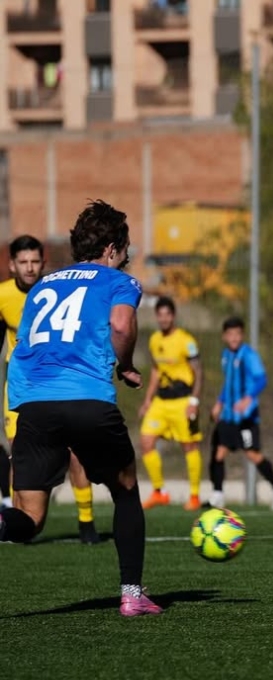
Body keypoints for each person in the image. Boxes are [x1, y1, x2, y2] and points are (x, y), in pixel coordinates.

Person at [0, 200, 161, 616]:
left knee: (29, 517)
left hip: (33, 404)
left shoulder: (42, 287)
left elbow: (25, 344)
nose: (126, 257)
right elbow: (121, 325)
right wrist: (126, 366)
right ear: (110, 249)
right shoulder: (118, 281)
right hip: (86, 399)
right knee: (126, 490)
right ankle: (132, 594)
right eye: (124, 249)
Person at [0, 234, 100, 544]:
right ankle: (16, 521)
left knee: (76, 451)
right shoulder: (2, 295)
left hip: (57, 383)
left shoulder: (56, 291)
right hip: (20, 386)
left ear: (43, 263)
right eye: (23, 262)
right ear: (12, 265)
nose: (29, 268)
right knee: (19, 453)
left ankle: (86, 523)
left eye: (35, 261)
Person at [207, 316, 273, 511]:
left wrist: (248, 399)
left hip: (246, 417)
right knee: (219, 453)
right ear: (224, 336)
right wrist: (219, 403)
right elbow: (228, 383)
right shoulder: (226, 355)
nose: (234, 338)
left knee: (253, 455)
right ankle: (218, 494)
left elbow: (261, 379)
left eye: (237, 334)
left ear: (242, 335)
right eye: (230, 334)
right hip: (228, 416)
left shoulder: (249, 355)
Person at [138, 296, 204, 511]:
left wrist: (194, 401)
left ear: (173, 316)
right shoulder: (154, 340)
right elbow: (156, 371)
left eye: (167, 315)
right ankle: (159, 492)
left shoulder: (186, 340)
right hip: (161, 402)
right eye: (160, 315)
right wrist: (147, 400)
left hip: (183, 401)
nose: (164, 319)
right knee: (146, 441)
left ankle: (194, 496)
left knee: (189, 446)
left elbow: (199, 372)